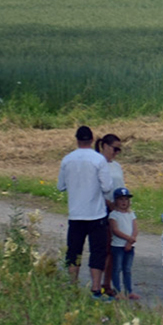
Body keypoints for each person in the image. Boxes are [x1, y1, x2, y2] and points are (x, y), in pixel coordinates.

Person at [57, 125, 113, 299]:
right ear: (92, 139)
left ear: (77, 140)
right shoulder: (98, 160)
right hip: (95, 213)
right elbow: (107, 186)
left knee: (74, 251)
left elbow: (61, 186)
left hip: (75, 213)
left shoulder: (67, 160)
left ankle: (72, 286)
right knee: (97, 251)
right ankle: (96, 288)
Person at [96, 133, 127, 295]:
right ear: (105, 147)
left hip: (118, 209)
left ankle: (108, 282)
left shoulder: (116, 166)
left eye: (119, 150)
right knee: (106, 247)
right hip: (104, 209)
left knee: (115, 249)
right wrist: (109, 204)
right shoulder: (98, 164)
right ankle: (101, 283)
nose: (116, 153)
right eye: (115, 149)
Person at [108, 187, 139, 300]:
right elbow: (115, 230)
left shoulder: (131, 214)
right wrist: (128, 239)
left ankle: (128, 291)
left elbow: (135, 228)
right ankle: (117, 291)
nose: (124, 202)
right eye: (121, 199)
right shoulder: (114, 215)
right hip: (118, 246)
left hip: (130, 246)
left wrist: (132, 240)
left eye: (126, 199)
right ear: (116, 201)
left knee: (127, 269)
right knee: (117, 269)